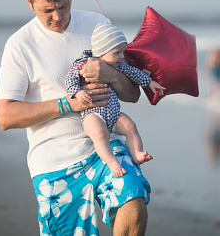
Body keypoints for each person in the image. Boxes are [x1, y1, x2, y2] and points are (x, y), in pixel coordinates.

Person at [0, 0, 151, 236]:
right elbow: (5, 116)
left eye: (63, 6)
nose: (57, 16)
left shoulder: (98, 26)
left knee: (133, 201)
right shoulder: (19, 45)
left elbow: (133, 95)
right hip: (54, 161)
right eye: (47, 10)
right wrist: (69, 103)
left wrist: (111, 75)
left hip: (106, 149)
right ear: (29, 3)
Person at [65, 23, 165, 177]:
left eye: (122, 52)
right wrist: (77, 93)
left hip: (113, 115)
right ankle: (111, 162)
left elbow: (134, 73)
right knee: (99, 133)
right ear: (101, 52)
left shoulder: (117, 66)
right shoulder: (83, 63)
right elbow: (70, 78)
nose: (122, 56)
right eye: (117, 52)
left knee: (131, 126)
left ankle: (137, 154)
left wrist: (149, 82)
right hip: (93, 115)